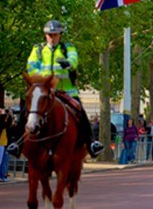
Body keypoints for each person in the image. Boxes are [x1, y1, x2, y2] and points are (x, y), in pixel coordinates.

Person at [8, 20, 103, 159]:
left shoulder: (67, 48)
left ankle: (91, 143)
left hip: (66, 91)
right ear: (45, 35)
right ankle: (17, 144)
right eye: (49, 34)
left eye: (55, 34)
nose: (52, 37)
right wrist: (46, 79)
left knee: (81, 112)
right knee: (25, 111)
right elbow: (31, 66)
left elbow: (74, 60)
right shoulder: (38, 49)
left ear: (60, 35)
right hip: (44, 90)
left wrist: (68, 64)